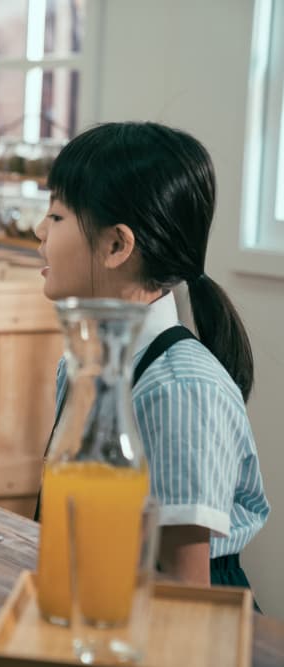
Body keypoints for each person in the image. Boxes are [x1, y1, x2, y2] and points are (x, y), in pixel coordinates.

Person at [34, 121, 269, 593]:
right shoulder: (86, 364)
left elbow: (185, 591)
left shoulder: (180, 388)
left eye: (56, 216)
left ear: (117, 245)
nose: (39, 228)